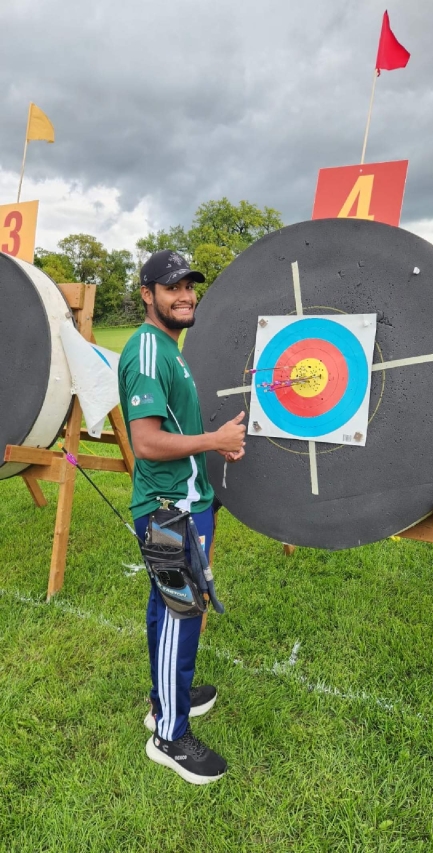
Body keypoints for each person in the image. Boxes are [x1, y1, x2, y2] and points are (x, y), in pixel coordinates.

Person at [118, 250, 245, 785]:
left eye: (190, 286)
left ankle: (165, 696)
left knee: (168, 608)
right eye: (172, 288)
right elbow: (145, 441)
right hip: (170, 513)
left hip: (185, 504)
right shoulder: (148, 350)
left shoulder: (169, 348)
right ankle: (169, 735)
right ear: (147, 295)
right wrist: (214, 441)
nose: (186, 295)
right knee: (180, 615)